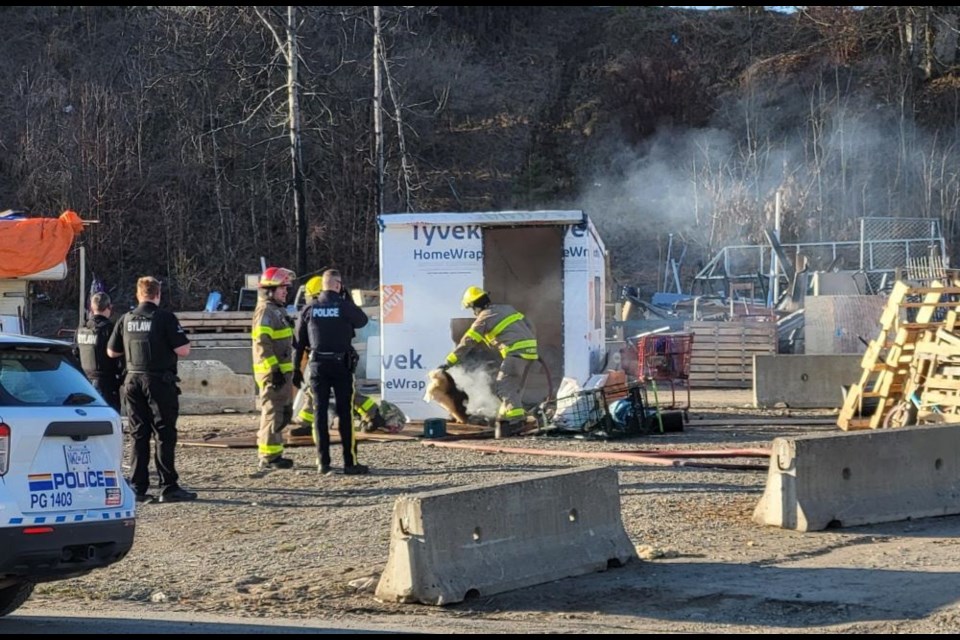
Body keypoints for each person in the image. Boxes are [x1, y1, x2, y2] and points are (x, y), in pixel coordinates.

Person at [107, 276, 196, 503]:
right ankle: (168, 487)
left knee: (139, 434)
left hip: (132, 381)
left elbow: (111, 352)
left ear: (138, 294)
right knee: (164, 434)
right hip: (158, 382)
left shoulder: (126, 319)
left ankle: (137, 486)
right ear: (158, 294)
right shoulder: (164, 318)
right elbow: (183, 350)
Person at [293, 268, 369, 475]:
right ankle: (349, 463)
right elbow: (362, 321)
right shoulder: (343, 306)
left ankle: (323, 462)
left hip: (318, 365)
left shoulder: (309, 308)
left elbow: (299, 343)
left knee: (319, 413)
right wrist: (348, 299)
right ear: (338, 284)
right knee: (345, 414)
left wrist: (296, 370)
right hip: (341, 365)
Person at [439, 286, 538, 438]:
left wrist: (449, 362)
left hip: (515, 353)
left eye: (472, 308)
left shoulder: (484, 317)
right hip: (529, 351)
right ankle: (506, 417)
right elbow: (528, 325)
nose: (473, 312)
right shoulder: (507, 309)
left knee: (503, 386)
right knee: (514, 387)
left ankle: (517, 422)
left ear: (476, 305)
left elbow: (468, 341)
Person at [294, 275, 386, 434]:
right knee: (318, 390)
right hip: (338, 358)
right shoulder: (341, 306)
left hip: (326, 358)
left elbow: (302, 338)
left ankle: (372, 413)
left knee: (324, 390)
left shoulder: (314, 308)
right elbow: (359, 321)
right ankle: (306, 423)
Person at [252, 266, 297, 470]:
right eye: (282, 288)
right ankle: (268, 456)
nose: (285, 292)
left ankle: (275, 452)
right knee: (272, 412)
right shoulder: (265, 312)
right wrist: (274, 371)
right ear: (269, 290)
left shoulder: (277, 310)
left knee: (280, 412)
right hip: (273, 373)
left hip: (282, 372)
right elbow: (262, 344)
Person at [76, 291, 123, 412]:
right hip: (105, 382)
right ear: (109, 307)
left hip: (83, 382)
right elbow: (118, 354)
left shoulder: (82, 328)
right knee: (109, 417)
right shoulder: (110, 329)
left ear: (91, 307)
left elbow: (75, 354)